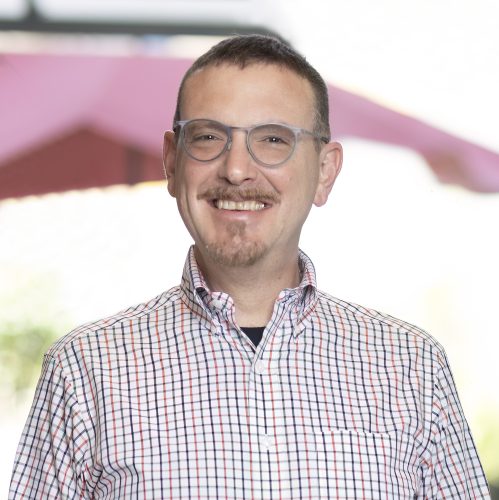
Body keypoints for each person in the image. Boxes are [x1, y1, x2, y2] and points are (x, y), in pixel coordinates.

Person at [9, 34, 489, 499]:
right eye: (208, 137)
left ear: (325, 172)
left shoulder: (412, 367)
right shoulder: (84, 370)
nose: (236, 169)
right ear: (172, 164)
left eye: (274, 139)